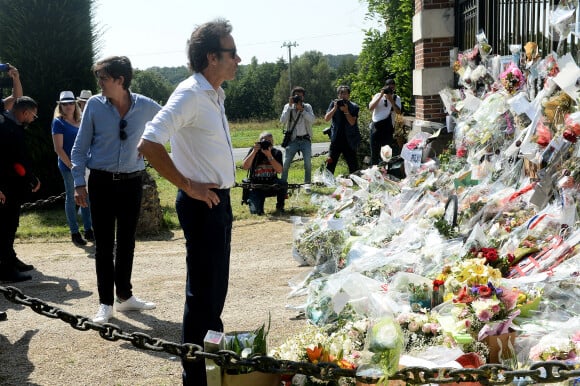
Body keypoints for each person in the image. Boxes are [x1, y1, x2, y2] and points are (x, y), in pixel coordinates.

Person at [137, 18, 240, 386]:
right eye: (231, 53)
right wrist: (188, 185)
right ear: (211, 57)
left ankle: (211, 368)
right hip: (202, 203)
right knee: (203, 297)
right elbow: (149, 142)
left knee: (215, 293)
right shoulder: (191, 93)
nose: (238, 59)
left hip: (217, 202)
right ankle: (196, 378)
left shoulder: (213, 93)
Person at [71, 56, 160, 324]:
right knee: (104, 245)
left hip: (133, 181)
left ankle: (125, 297)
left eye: (103, 78)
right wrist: (78, 181)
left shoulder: (146, 106)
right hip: (101, 182)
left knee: (127, 242)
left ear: (120, 80)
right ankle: (105, 303)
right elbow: (79, 147)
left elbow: (173, 121)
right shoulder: (95, 106)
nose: (99, 83)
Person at [0, 96, 41, 282]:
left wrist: (31, 178)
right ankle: (6, 269)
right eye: (33, 115)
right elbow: (11, 160)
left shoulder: (11, 125)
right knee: (5, 228)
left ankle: (10, 259)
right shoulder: (5, 127)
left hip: (12, 186)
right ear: (25, 112)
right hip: (5, 186)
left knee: (10, 225)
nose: (33, 119)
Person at [51, 91, 94, 246]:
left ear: (75, 104)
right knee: (72, 198)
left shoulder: (81, 120)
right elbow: (58, 148)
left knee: (88, 197)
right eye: (64, 103)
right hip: (68, 165)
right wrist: (71, 165)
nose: (68, 106)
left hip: (84, 165)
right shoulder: (58, 122)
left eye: (70, 103)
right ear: (60, 106)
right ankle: (74, 232)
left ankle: (89, 229)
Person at [241, 132, 286, 215]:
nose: (266, 143)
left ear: (272, 143)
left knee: (283, 183)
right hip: (256, 185)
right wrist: (254, 151)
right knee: (256, 213)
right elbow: (245, 167)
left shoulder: (276, 152)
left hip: (272, 184)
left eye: (269, 141)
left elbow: (279, 170)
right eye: (264, 141)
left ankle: (280, 206)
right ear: (259, 142)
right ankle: (255, 204)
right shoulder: (253, 151)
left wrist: (269, 155)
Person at [280, 86, 315, 185]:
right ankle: (283, 184)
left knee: (307, 164)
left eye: (300, 96)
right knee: (286, 163)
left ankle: (307, 184)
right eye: (296, 96)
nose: (298, 98)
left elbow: (312, 120)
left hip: (305, 139)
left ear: (303, 97)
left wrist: (302, 110)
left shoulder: (307, 107)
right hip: (292, 140)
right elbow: (282, 121)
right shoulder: (288, 106)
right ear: (292, 97)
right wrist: (290, 106)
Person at [324, 85, 361, 175]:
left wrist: (346, 111)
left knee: (353, 164)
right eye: (341, 93)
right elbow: (326, 118)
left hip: (349, 140)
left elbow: (352, 122)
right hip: (336, 139)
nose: (343, 96)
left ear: (348, 95)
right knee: (331, 163)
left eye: (345, 93)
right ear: (338, 95)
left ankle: (355, 180)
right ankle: (328, 181)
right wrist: (335, 108)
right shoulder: (333, 104)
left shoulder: (354, 106)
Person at [368, 78, 402, 165]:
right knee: (374, 153)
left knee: (387, 154)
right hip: (375, 128)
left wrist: (391, 100)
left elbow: (398, 112)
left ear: (394, 88)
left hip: (387, 129)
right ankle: (374, 173)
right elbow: (371, 108)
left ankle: (386, 172)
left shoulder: (396, 98)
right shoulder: (377, 95)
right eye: (388, 88)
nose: (390, 90)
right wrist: (381, 95)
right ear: (384, 87)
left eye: (392, 88)